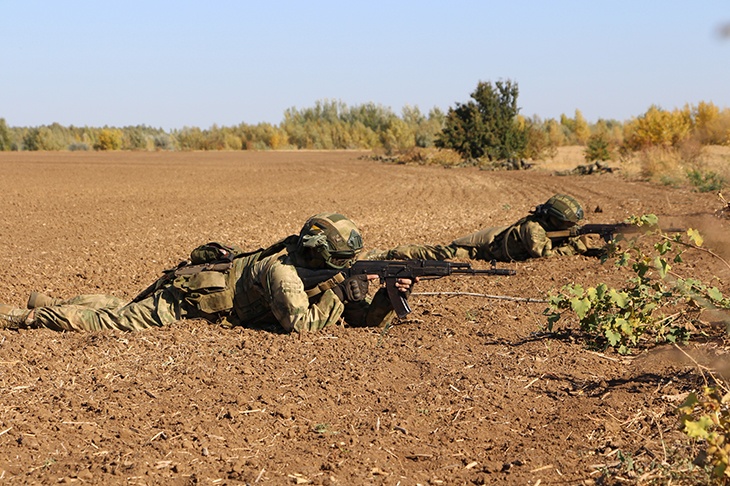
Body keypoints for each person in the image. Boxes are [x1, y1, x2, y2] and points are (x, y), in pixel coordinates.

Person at [0, 213, 413, 333]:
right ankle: (29, 316)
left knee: (120, 306)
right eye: (342, 262)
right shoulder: (284, 274)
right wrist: (342, 295)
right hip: (194, 296)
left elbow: (354, 316)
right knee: (114, 321)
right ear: (322, 256)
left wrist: (382, 295)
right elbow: (301, 323)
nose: (345, 268)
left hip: (211, 281)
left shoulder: (309, 261)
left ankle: (46, 302)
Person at [365, 194, 590, 262]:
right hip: (480, 247)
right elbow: (544, 254)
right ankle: (387, 253)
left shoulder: (545, 226)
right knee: (440, 254)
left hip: (495, 241)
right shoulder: (533, 229)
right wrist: (575, 248)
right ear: (554, 220)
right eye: (567, 225)